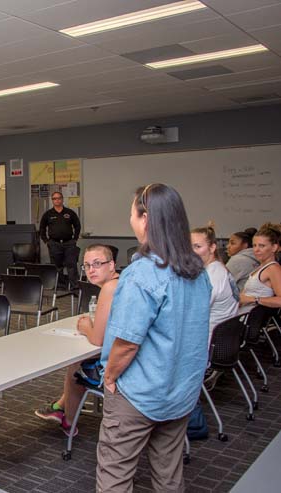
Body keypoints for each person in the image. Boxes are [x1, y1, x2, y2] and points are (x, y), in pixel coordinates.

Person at [96, 184, 211, 492]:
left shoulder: (141, 274)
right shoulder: (198, 271)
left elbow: (128, 342)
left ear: (145, 219)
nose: (130, 220)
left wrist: (109, 376)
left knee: (114, 477)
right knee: (169, 474)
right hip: (181, 389)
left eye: (132, 213)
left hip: (139, 393)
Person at [35, 244, 119, 435]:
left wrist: (85, 328)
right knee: (81, 362)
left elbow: (98, 339)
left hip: (118, 369)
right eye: (87, 265)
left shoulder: (109, 289)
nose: (91, 270)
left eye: (97, 264)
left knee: (76, 367)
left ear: (112, 264)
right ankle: (60, 407)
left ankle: (68, 422)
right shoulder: (120, 282)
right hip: (132, 360)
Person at [191, 223, 239, 337]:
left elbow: (194, 313)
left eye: (197, 246)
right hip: (225, 337)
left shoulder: (211, 277)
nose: (191, 252)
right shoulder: (219, 268)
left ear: (212, 247)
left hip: (206, 340)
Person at [39, 191, 81, 287]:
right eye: (54, 198)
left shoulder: (70, 213)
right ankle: (61, 286)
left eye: (59, 198)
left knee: (72, 265)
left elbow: (77, 226)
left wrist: (75, 239)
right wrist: (46, 241)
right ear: (52, 200)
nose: (57, 200)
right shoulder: (48, 214)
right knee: (57, 267)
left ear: (62, 199)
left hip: (69, 243)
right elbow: (42, 228)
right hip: (54, 244)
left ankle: (74, 287)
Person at [237, 223, 281, 314]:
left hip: (249, 322)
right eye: (254, 245)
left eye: (262, 246)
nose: (256, 250)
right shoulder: (260, 268)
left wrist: (252, 299)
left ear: (274, 247)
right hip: (240, 316)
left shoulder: (273, 268)